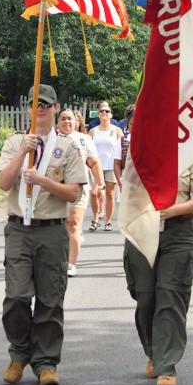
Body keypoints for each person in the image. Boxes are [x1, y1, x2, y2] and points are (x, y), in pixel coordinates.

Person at [0, 84, 88, 385]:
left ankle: (46, 362)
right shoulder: (13, 143)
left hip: (51, 230)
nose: (41, 109)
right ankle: (19, 353)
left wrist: (43, 181)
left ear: (55, 108)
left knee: (50, 300)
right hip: (19, 230)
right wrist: (23, 151)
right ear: (27, 107)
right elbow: (4, 183)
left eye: (46, 104)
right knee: (17, 297)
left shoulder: (69, 147)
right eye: (35, 104)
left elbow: (74, 193)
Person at [122, 159, 193, 385]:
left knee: (170, 296)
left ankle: (167, 365)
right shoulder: (140, 154)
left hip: (178, 232)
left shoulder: (190, 156)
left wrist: (172, 211)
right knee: (145, 299)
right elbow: (128, 194)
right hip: (142, 229)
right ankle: (153, 352)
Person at [57, 109, 105, 278]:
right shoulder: (51, 139)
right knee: (57, 227)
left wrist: (100, 185)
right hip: (54, 189)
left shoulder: (84, 139)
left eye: (70, 119)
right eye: (63, 119)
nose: (67, 122)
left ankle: (71, 264)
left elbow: (93, 162)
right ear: (58, 121)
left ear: (76, 122)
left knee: (73, 224)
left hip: (78, 187)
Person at [88, 103, 124, 231]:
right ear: (98, 114)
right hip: (96, 167)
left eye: (107, 111)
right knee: (94, 193)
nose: (104, 113)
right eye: (102, 111)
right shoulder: (93, 131)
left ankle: (108, 222)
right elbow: (88, 149)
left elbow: (122, 150)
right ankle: (95, 219)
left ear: (111, 115)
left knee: (109, 194)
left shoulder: (116, 130)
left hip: (111, 166)